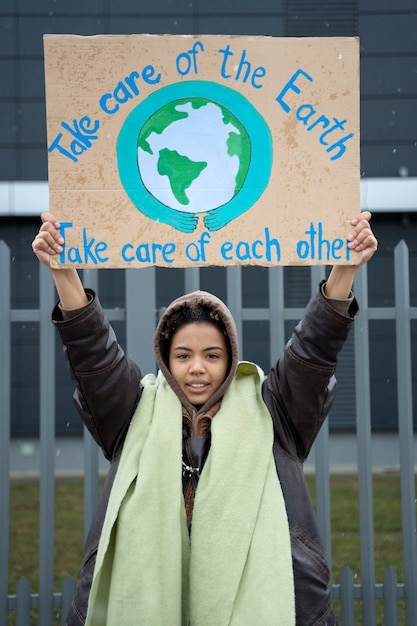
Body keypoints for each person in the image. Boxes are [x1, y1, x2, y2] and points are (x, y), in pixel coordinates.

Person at [32, 211, 377, 626]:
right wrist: (64, 275)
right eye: (183, 356)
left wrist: (344, 270)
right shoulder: (131, 410)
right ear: (165, 359)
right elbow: (94, 354)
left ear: (230, 360)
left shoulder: (275, 412)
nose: (197, 368)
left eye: (212, 355)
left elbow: (314, 350)